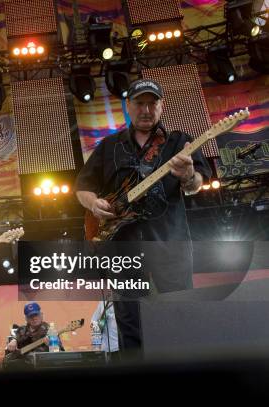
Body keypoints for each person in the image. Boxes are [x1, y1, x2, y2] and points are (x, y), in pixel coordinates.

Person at [75, 79, 212, 355]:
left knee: (180, 312)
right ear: (129, 106)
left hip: (169, 243)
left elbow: (197, 184)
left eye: (153, 103)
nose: (146, 109)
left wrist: (187, 176)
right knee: (129, 321)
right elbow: (82, 187)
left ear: (161, 106)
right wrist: (93, 204)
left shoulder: (179, 142)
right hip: (123, 246)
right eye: (140, 103)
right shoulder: (109, 146)